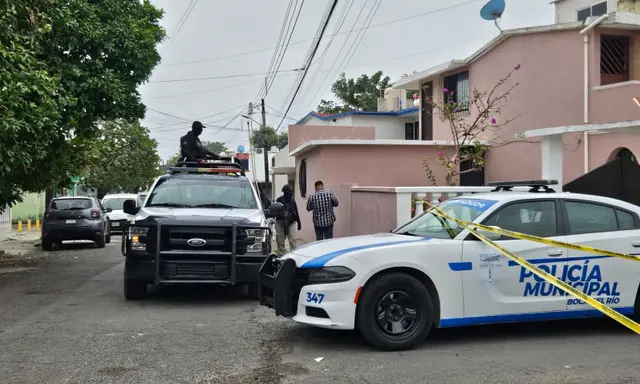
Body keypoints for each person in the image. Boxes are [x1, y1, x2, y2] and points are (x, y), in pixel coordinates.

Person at [274, 184, 301, 254]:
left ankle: (294, 255)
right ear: (284, 192)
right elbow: (274, 212)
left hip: (291, 222)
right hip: (280, 223)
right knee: (280, 241)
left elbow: (296, 212)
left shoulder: (292, 201)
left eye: (291, 191)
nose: (290, 192)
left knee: (293, 240)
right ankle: (281, 256)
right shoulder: (279, 200)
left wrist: (299, 223)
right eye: (288, 191)